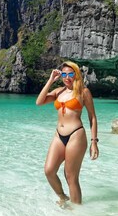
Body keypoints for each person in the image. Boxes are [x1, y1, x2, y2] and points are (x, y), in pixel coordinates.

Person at [35, 61, 99, 205]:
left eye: (70, 74)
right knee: (49, 171)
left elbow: (92, 117)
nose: (67, 77)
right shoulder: (59, 91)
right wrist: (51, 80)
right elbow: (39, 102)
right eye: (64, 74)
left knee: (71, 177)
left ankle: (76, 211)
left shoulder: (83, 92)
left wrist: (94, 142)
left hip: (76, 135)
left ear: (76, 74)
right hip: (59, 135)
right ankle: (63, 197)